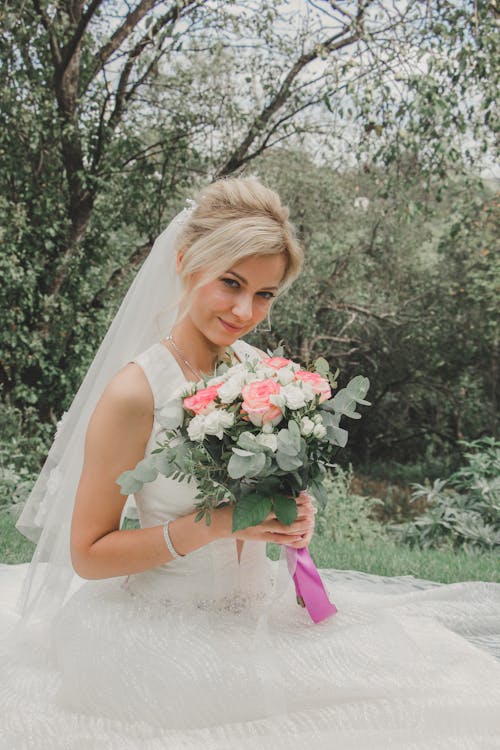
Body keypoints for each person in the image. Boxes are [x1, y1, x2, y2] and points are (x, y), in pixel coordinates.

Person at [1, 177, 500, 750]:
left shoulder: (261, 370)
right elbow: (87, 556)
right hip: (167, 628)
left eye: (265, 294)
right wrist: (212, 525)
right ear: (187, 262)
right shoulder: (135, 392)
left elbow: (263, 490)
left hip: (263, 612)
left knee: (416, 697)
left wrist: (293, 517)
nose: (245, 311)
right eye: (231, 283)